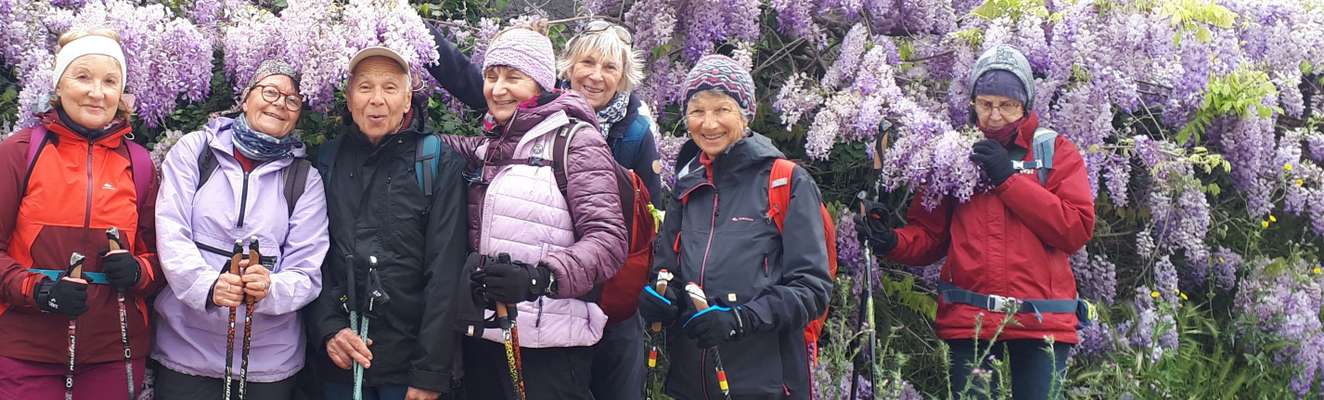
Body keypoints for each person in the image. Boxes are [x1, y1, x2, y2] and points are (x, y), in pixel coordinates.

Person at [434, 21, 662, 399]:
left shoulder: (577, 140)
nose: (498, 88)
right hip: (486, 334)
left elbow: (608, 241)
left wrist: (540, 279)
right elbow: (434, 145)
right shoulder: (493, 144)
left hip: (550, 347)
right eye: (491, 76)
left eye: (514, 77)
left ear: (540, 84)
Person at [857, 45, 1093, 400]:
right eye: (985, 104)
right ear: (972, 103)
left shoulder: (1054, 151)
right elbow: (930, 236)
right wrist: (891, 241)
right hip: (972, 319)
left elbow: (1074, 229)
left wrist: (1008, 180)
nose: (995, 116)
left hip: (1043, 320)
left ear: (1025, 105)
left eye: (1007, 105)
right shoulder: (953, 151)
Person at [0, 30, 165, 400]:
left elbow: (161, 259)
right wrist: (38, 291)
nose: (97, 92)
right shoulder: (17, 153)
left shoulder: (140, 164)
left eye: (110, 81)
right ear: (59, 85)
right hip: (22, 352)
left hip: (112, 353)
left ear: (122, 93)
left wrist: (138, 271)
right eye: (82, 76)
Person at [638, 54, 834, 400]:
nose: (708, 123)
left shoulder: (786, 181)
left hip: (765, 385)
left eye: (722, 109)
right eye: (697, 111)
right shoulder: (687, 186)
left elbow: (812, 289)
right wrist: (661, 299)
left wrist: (740, 319)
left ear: (745, 114)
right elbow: (667, 272)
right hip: (692, 383)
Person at [149, 60, 329, 400]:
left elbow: (307, 270)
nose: (280, 103)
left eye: (292, 100)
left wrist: (271, 288)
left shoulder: (305, 179)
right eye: (270, 92)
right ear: (246, 98)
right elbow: (171, 231)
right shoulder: (196, 150)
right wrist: (208, 285)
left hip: (267, 361)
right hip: (186, 350)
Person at [299, 47, 471, 400]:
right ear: (350, 100)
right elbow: (311, 256)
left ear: (407, 100)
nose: (377, 99)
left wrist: (429, 373)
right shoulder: (329, 159)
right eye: (365, 87)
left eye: (390, 88)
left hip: (407, 368)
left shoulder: (436, 161)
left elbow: (445, 272)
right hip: (341, 360)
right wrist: (328, 329)